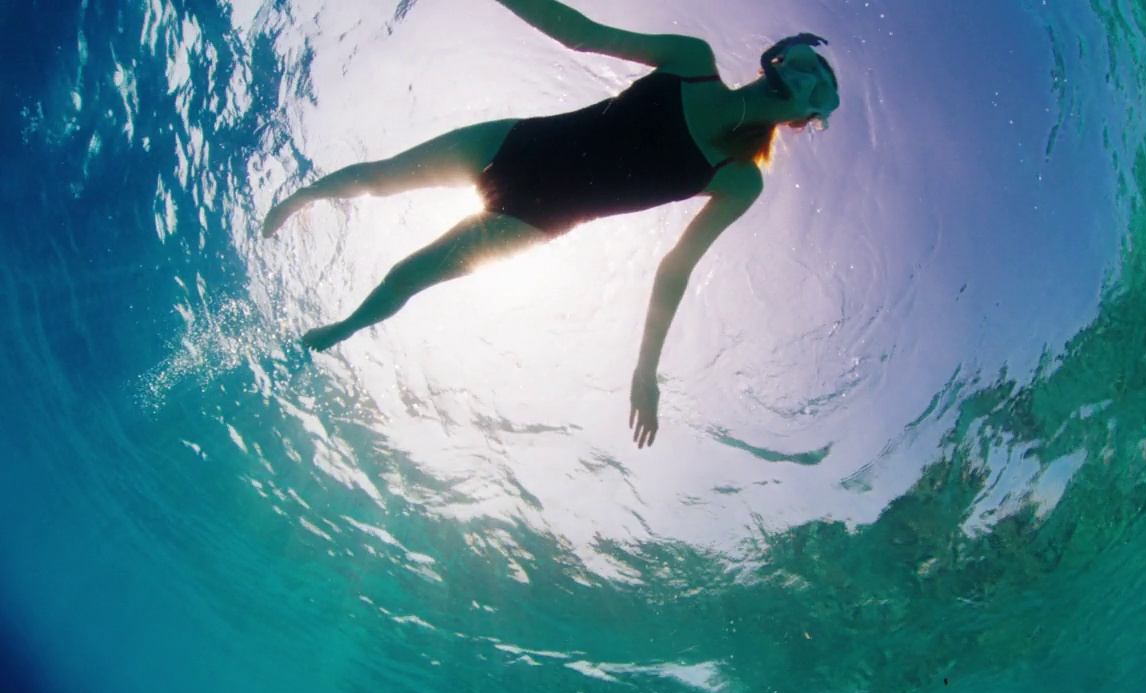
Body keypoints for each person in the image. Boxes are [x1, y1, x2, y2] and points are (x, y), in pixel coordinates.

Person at [261, 0, 840, 448]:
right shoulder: (692, 61)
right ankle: (307, 196)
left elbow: (675, 267)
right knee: (386, 176)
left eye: (820, 86)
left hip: (538, 219)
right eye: (808, 65)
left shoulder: (739, 177)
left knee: (407, 275)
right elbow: (580, 33)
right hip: (520, 142)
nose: (808, 76)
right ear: (779, 57)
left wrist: (646, 370)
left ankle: (342, 330)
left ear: (805, 121)